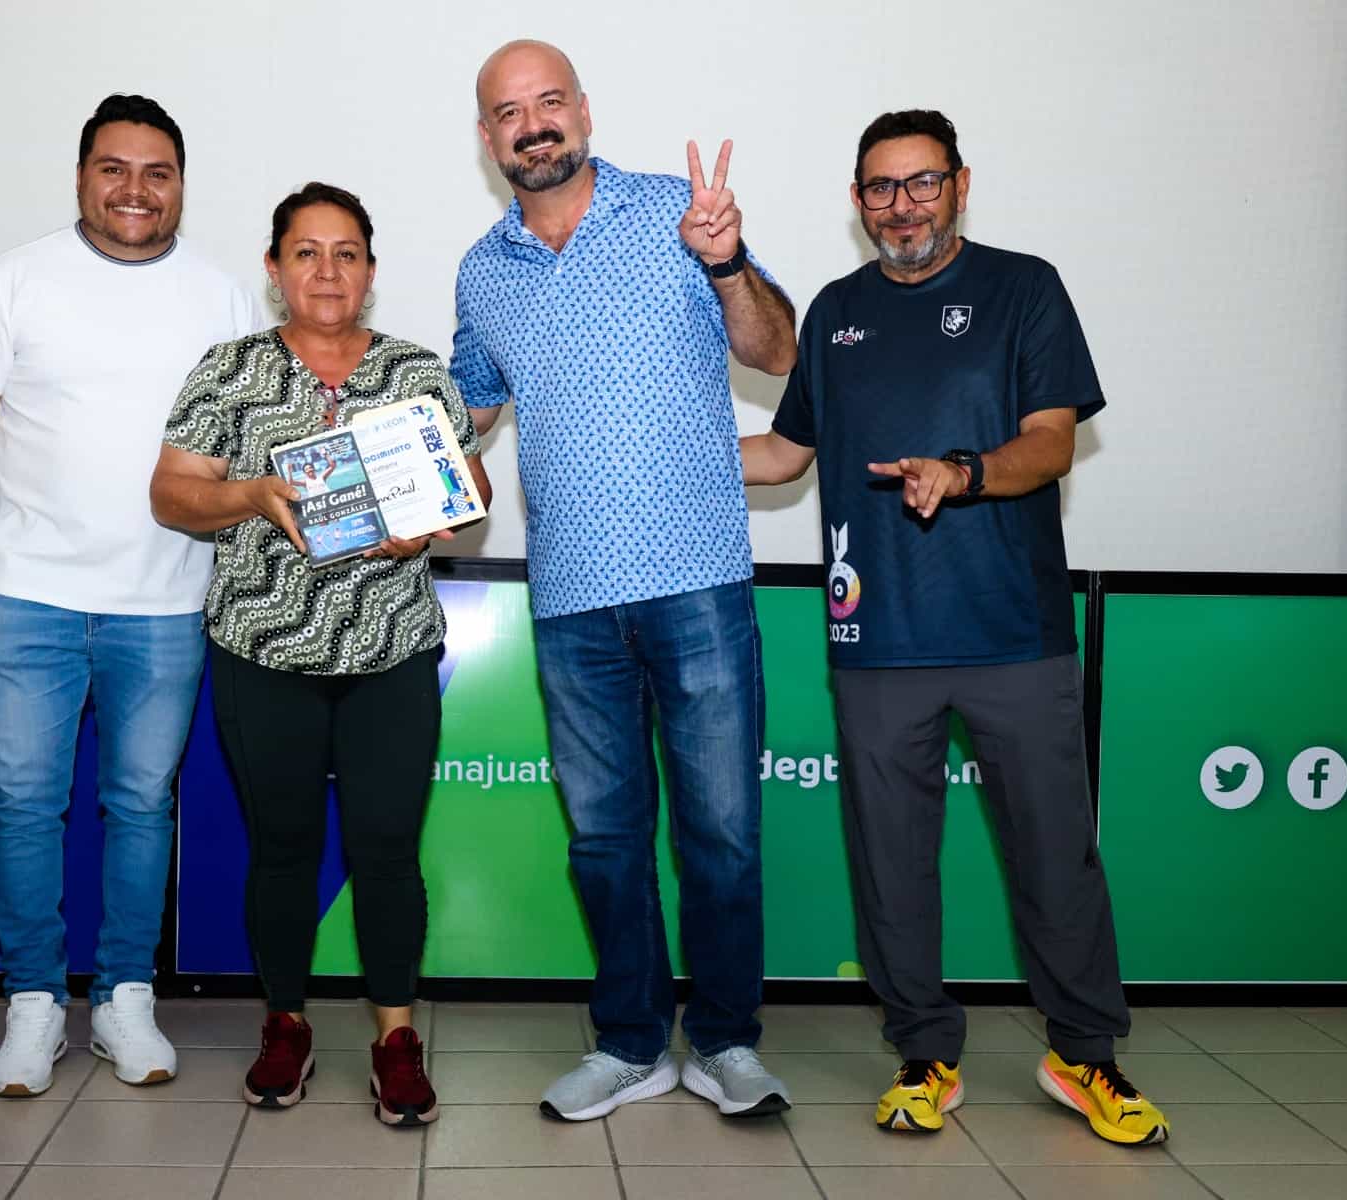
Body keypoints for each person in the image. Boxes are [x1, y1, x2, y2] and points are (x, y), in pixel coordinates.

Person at [741, 109, 1169, 1146]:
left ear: (960, 185)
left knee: (1055, 857)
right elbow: (786, 455)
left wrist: (964, 472)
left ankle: (1084, 1055)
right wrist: (653, 455)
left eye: (922, 183)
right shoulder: (836, 312)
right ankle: (924, 1053)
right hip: (876, 639)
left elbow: (1051, 441)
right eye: (881, 188)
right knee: (891, 864)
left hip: (1013, 631)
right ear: (857, 201)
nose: (903, 207)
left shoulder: (1025, 289)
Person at [450, 40, 797, 1121]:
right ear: (488, 137)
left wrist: (727, 263)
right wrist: (388, 446)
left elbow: (776, 351)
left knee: (722, 834)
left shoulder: (673, 216)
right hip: (570, 599)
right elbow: (469, 409)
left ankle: (726, 1042)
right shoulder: (482, 270)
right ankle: (632, 1043)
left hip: (697, 581)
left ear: (584, 110)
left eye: (549, 100)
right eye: (510, 111)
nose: (533, 123)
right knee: (604, 843)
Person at [0, 94, 261, 1096]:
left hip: (166, 603)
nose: (135, 190)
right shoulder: (15, 280)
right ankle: (32, 1003)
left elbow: (255, 450)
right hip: (26, 598)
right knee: (24, 806)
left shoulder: (224, 298)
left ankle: (123, 1000)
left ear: (181, 185)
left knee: (141, 806)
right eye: (114, 168)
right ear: (80, 177)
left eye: (157, 172)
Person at [151, 182, 491, 1126]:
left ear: (371, 271)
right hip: (263, 649)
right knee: (283, 850)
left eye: (347, 253)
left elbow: (469, 486)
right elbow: (172, 493)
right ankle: (286, 1023)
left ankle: (395, 1037)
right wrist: (252, 494)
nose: (328, 271)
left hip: (392, 650)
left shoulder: (417, 371)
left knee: (387, 850)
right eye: (306, 252)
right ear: (275, 269)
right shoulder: (230, 371)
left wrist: (430, 522)